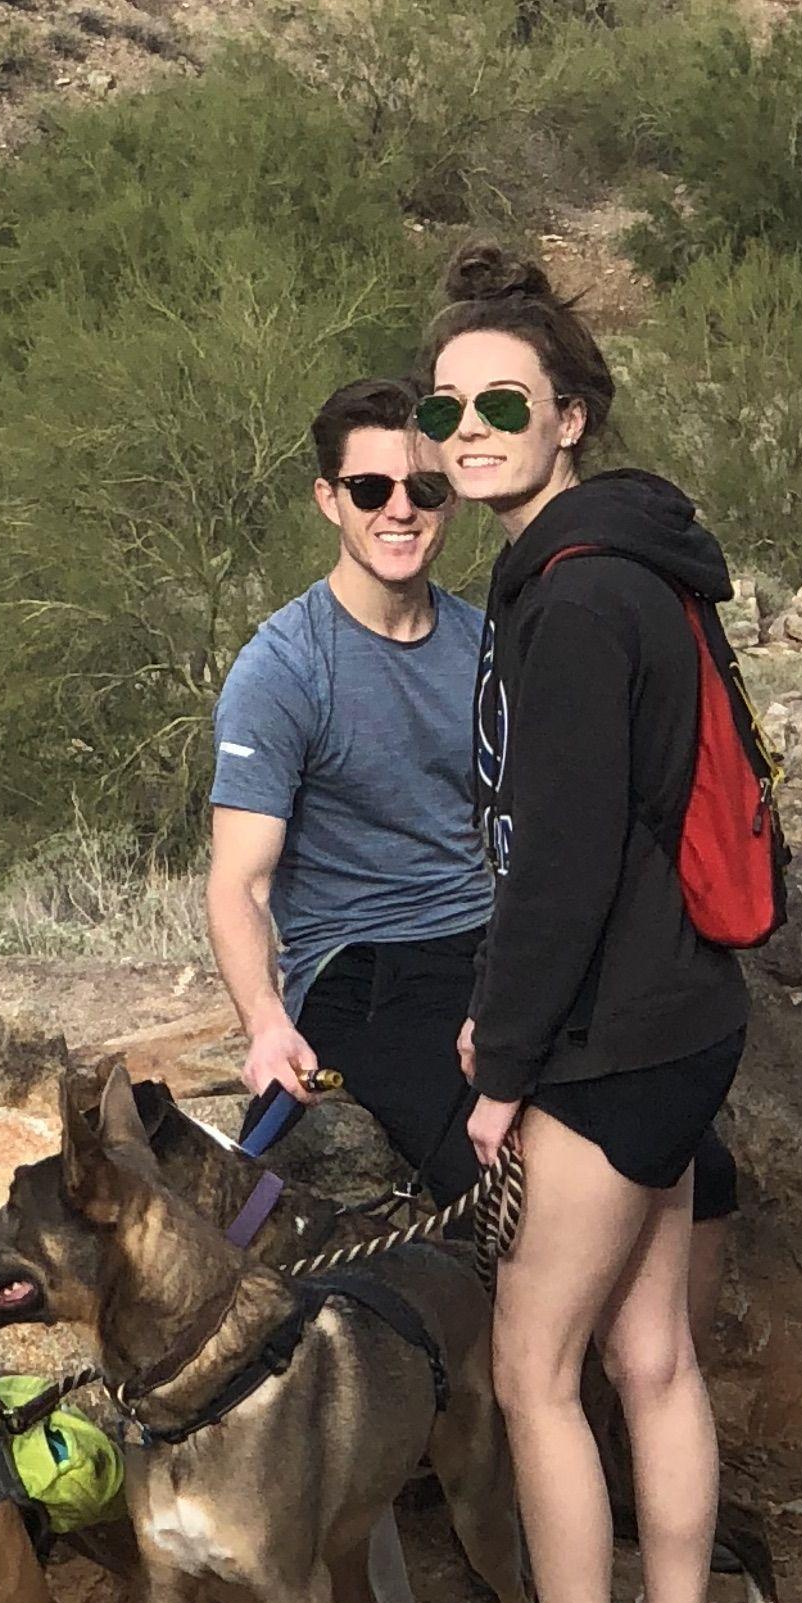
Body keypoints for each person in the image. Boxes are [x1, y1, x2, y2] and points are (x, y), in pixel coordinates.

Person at [409, 245, 749, 1603]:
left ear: (570, 419)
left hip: (610, 1039)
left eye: (503, 403)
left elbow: (560, 863)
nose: (468, 430)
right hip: (688, 1014)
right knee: (652, 1353)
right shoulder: (641, 567)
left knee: (532, 1366)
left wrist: (504, 1066)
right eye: (446, 407)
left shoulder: (573, 598)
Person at [207, 380, 494, 1201]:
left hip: (488, 943)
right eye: (370, 489)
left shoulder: (487, 645)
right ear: (329, 499)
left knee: (685, 1164)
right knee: (494, 1182)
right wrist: (266, 1024)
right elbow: (240, 881)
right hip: (365, 968)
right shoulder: (283, 669)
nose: (399, 510)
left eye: (424, 488)